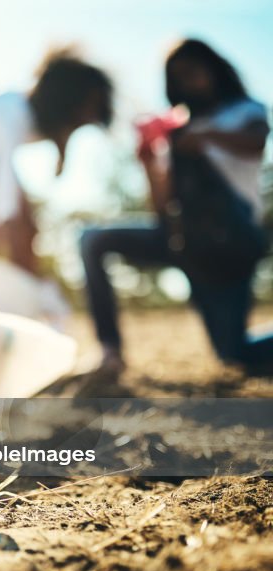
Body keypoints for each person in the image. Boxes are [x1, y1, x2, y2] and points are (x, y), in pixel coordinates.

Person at [80, 39, 271, 377]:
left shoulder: (244, 111)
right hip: (182, 242)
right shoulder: (174, 132)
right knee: (93, 240)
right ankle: (110, 351)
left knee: (234, 355)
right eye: (178, 76)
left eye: (194, 69)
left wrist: (206, 135)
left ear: (213, 67)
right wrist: (149, 164)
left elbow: (256, 141)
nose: (188, 80)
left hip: (228, 247)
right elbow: (162, 207)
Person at [0, 49, 114, 274]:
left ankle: (27, 282)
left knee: (30, 228)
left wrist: (62, 156)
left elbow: (63, 134)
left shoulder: (53, 123)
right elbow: (4, 182)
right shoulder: (12, 115)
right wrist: (6, 222)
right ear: (64, 102)